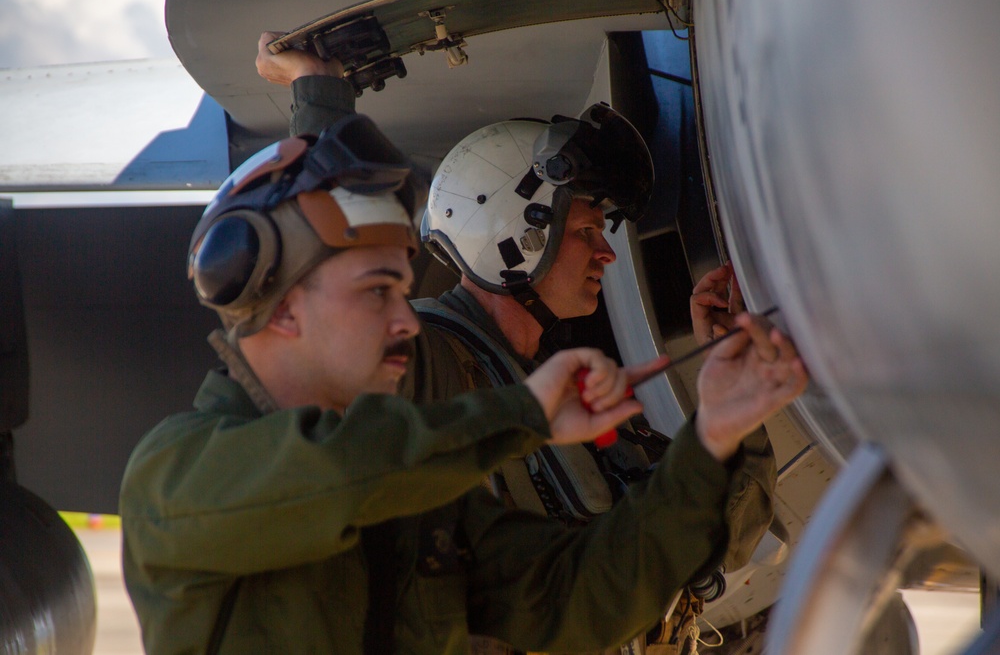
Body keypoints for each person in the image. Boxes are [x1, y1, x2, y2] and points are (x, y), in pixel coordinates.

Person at [119, 105, 807, 654]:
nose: (406, 319)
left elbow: (584, 593)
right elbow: (334, 468)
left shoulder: (423, 506)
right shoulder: (174, 475)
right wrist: (525, 414)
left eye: (402, 290)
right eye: (377, 291)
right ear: (282, 305)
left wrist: (716, 432)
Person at [254, 33, 781, 653]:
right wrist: (319, 97)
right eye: (586, 232)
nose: (607, 253)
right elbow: (330, 288)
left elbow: (709, 546)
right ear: (512, 239)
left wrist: (731, 394)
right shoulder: (424, 360)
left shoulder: (561, 397)